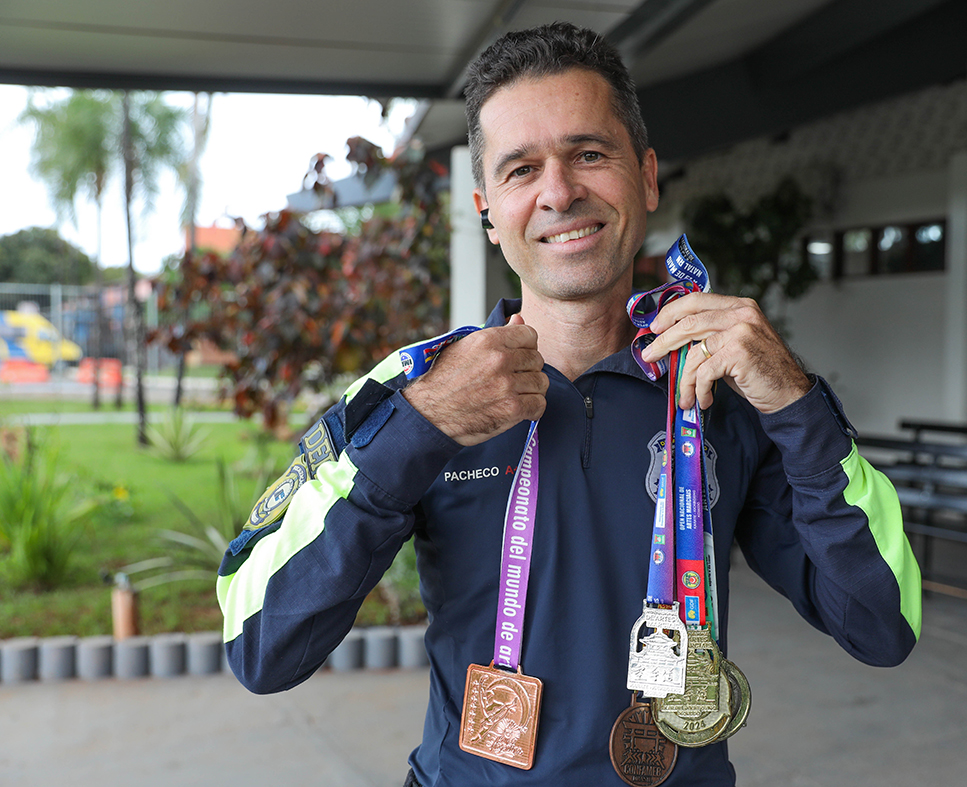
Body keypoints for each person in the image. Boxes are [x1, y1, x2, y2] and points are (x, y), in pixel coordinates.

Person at [217, 21, 921, 787]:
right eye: (522, 169)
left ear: (646, 177)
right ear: (488, 209)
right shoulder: (416, 387)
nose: (559, 192)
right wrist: (419, 431)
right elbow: (261, 645)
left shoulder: (725, 387)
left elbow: (881, 625)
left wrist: (795, 401)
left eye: (589, 153)